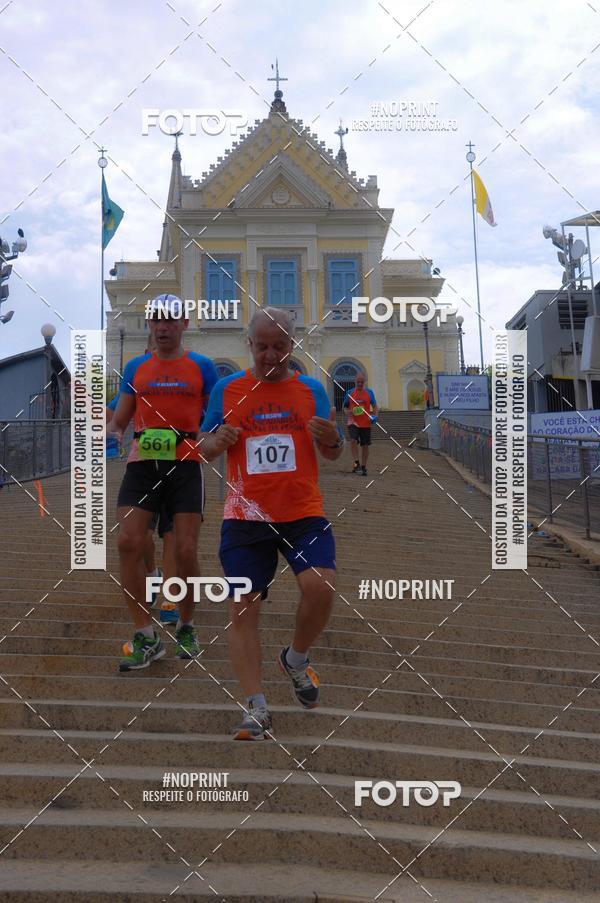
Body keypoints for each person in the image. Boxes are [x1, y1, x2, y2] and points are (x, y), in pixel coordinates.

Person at [200, 307, 344, 740]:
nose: (270, 355)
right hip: (246, 517)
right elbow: (202, 448)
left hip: (302, 512)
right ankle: (256, 708)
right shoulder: (227, 390)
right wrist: (216, 441)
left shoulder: (312, 391)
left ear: (292, 346)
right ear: (250, 346)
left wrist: (333, 439)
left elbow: (333, 452)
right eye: (261, 346)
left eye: (279, 346)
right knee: (243, 608)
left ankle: (296, 660)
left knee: (321, 587)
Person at [108, 294, 218, 672]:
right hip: (143, 462)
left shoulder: (202, 367)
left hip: (186, 463)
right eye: (157, 320)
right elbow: (120, 419)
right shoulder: (136, 367)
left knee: (185, 550)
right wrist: (111, 432)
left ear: (184, 324)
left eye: (171, 320)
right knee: (128, 541)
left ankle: (187, 625)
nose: (163, 327)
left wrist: (213, 438)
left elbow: (215, 416)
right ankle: (145, 635)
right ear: (150, 324)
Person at [343, 373, 378, 476]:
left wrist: (375, 416)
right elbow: (345, 407)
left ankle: (363, 467)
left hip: (366, 423)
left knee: (365, 446)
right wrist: (347, 412)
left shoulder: (369, 393)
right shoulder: (349, 393)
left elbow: (375, 406)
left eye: (361, 382)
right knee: (353, 440)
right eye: (358, 382)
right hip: (353, 422)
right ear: (355, 381)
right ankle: (356, 463)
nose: (359, 384)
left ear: (364, 382)